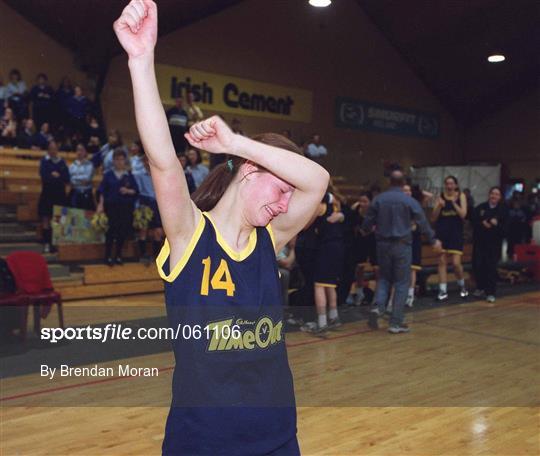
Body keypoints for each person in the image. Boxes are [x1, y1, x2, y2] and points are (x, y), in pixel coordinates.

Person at [113, 2, 329, 455]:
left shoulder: (271, 239)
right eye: (280, 190)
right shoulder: (190, 235)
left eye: (291, 197)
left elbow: (319, 180)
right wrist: (140, 59)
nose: (287, 205)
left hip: (277, 441)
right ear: (249, 171)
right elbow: (162, 161)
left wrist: (234, 142)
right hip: (203, 444)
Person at [361, 170, 441, 333]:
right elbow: (422, 222)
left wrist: (365, 230)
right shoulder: (409, 201)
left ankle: (378, 306)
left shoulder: (379, 199)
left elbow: (367, 223)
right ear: (403, 182)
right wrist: (433, 240)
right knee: (401, 282)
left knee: (384, 278)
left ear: (389, 181)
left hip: (382, 245)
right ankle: (395, 322)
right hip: (402, 245)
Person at [96, 148, 139, 266]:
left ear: (125, 161)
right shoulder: (108, 175)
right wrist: (100, 205)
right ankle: (107, 256)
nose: (119, 162)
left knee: (122, 232)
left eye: (122, 159)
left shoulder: (129, 176)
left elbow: (136, 192)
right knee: (111, 232)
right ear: (113, 161)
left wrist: (128, 191)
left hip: (125, 207)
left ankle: (118, 256)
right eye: (117, 159)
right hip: (111, 207)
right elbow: (102, 191)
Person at [431, 175, 468, 301]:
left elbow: (463, 214)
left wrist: (453, 202)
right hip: (442, 234)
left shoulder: (461, 196)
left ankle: (462, 285)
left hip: (455, 234)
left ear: (456, 185)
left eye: (451, 183)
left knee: (456, 264)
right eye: (447, 183)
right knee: (441, 262)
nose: (449, 186)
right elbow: (434, 218)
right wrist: (439, 206)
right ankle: (442, 291)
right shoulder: (440, 197)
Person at [472, 187, 508, 303]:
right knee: (478, 265)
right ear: (489, 195)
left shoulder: (503, 210)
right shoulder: (481, 207)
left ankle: (490, 292)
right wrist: (482, 223)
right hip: (480, 242)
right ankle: (480, 287)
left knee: (491, 267)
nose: (494, 196)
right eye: (492, 193)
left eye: (497, 194)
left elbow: (506, 229)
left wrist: (496, 225)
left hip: (494, 244)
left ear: (500, 197)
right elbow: (473, 220)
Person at [403, 183, 433, 307]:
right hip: (402, 239)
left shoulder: (416, 205)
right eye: (404, 191)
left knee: (412, 269)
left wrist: (417, 190)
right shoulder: (397, 205)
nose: (407, 193)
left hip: (414, 239)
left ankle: (410, 295)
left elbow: (429, 195)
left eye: (409, 191)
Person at [38, 140, 69, 253]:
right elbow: (44, 176)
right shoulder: (44, 161)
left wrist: (57, 176)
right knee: (45, 218)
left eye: (55, 148)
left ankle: (54, 244)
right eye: (51, 148)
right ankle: (46, 242)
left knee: (58, 220)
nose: (53, 150)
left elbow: (66, 178)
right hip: (47, 194)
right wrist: (55, 177)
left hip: (59, 195)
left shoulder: (62, 162)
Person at [133, 154, 164, 261]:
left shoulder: (159, 173)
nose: (147, 163)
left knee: (158, 231)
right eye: (145, 161)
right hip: (144, 203)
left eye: (149, 160)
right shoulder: (139, 175)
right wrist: (137, 207)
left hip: (158, 203)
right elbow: (137, 192)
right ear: (143, 162)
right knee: (143, 230)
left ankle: (157, 257)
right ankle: (143, 255)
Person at [69, 143, 95, 210]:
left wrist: (75, 178)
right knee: (74, 218)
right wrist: (80, 179)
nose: (79, 152)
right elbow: (71, 181)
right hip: (74, 193)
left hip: (87, 193)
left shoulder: (90, 165)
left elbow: (87, 179)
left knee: (86, 219)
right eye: (78, 150)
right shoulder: (72, 166)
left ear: (85, 152)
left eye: (81, 150)